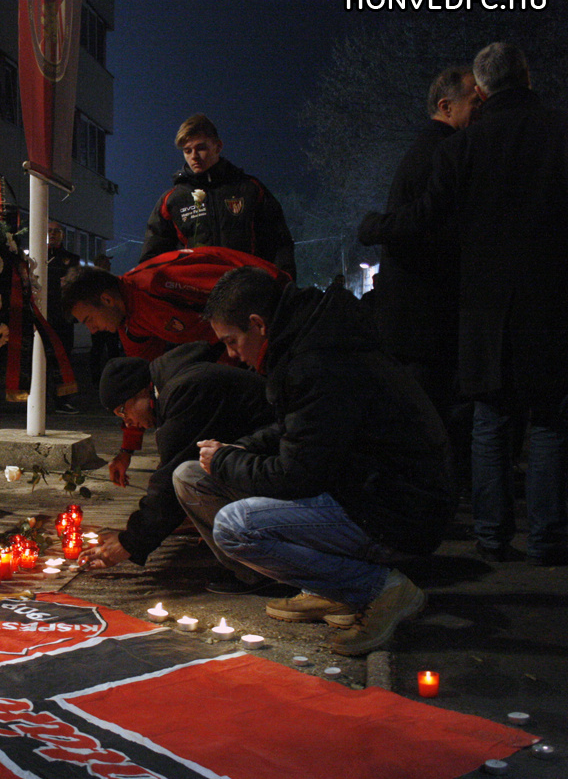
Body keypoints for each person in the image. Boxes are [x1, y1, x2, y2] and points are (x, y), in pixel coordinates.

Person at [359, 43, 568, 566]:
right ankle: (546, 538)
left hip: (482, 308)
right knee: (547, 422)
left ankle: (493, 537)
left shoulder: (463, 149)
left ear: (481, 88)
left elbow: (423, 219)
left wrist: (373, 227)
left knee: (490, 420)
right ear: (525, 75)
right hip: (551, 301)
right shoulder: (560, 133)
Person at [173, 267, 455, 656]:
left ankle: (380, 589)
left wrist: (226, 462)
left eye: (233, 342)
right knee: (191, 475)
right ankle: (332, 587)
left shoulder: (320, 360)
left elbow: (298, 474)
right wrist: (235, 450)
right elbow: (297, 429)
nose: (233, 356)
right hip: (361, 488)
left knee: (235, 527)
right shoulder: (307, 341)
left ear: (258, 325)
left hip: (396, 509)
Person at [62, 246, 287, 486]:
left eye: (89, 320)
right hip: (237, 362)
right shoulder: (131, 327)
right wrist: (127, 450)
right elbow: (139, 389)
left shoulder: (159, 282)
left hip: (270, 337)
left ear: (107, 299)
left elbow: (247, 285)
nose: (92, 329)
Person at [78, 342, 273, 585]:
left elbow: (167, 482)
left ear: (140, 393)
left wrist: (129, 543)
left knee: (186, 477)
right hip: (267, 459)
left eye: (122, 411)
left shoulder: (186, 390)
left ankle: (258, 571)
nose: (127, 423)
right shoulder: (175, 383)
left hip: (282, 469)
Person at [372, 66, 479, 472]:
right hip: (424, 319)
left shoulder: (430, 148)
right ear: (446, 106)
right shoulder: (443, 152)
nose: (481, 105)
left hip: (416, 317)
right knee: (431, 420)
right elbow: (421, 224)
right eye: (474, 98)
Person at [141, 113, 296, 279]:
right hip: (195, 296)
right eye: (187, 151)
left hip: (248, 292)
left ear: (218, 146)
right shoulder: (172, 200)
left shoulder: (250, 189)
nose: (194, 156)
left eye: (201, 148)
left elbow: (280, 243)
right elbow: (152, 259)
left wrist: (285, 285)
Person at [46, 221, 81, 414]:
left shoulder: (71, 259)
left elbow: (74, 285)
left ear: (63, 235)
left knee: (63, 360)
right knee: (38, 360)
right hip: (40, 316)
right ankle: (35, 400)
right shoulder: (35, 256)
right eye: (49, 231)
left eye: (57, 231)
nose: (52, 234)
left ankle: (63, 400)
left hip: (62, 318)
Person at [87, 254, 122, 386]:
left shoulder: (106, 280)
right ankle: (99, 379)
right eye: (107, 262)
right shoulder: (95, 281)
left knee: (109, 349)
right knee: (100, 349)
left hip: (109, 320)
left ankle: (109, 378)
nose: (109, 265)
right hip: (101, 320)